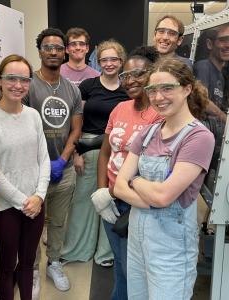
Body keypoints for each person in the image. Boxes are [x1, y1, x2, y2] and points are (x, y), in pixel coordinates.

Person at [114, 58, 215, 299]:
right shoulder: (149, 132)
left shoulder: (199, 138)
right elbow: (118, 186)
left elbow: (163, 196)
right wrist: (150, 193)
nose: (158, 97)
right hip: (138, 242)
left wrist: (135, 180)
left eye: (167, 88)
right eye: (152, 90)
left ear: (187, 88)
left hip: (171, 249)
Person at [0, 55, 50, 300]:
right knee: (8, 264)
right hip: (7, 205)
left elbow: (44, 159)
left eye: (24, 79)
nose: (18, 85)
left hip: (35, 203)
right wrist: (23, 201)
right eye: (11, 78)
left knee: (28, 262)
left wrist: (38, 196)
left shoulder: (33, 115)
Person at [93, 46, 161, 300]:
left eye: (138, 74)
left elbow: (156, 171)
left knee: (132, 268)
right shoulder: (120, 108)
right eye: (126, 75)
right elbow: (105, 153)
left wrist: (131, 207)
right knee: (121, 265)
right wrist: (102, 192)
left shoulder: (160, 114)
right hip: (111, 199)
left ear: (152, 74)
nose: (130, 80)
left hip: (137, 203)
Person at [61, 39, 129, 267]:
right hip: (89, 147)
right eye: (104, 60)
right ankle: (77, 250)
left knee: (111, 200)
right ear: (98, 62)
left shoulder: (128, 89)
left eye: (114, 59)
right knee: (82, 201)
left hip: (117, 149)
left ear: (121, 62)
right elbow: (76, 124)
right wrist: (76, 153)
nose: (109, 64)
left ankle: (105, 254)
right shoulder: (88, 86)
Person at [25, 28, 83, 294]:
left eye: (59, 48)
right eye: (48, 47)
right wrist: (44, 166)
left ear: (66, 52)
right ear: (39, 51)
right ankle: (34, 269)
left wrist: (62, 160)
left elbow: (76, 129)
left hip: (64, 169)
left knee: (59, 222)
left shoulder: (72, 89)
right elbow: (22, 129)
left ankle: (55, 262)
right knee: (34, 223)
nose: (53, 52)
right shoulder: (28, 85)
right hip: (34, 171)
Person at [193, 24, 229, 122]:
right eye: (223, 40)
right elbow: (202, 100)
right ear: (210, 44)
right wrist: (227, 120)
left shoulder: (221, 76)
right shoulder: (203, 67)